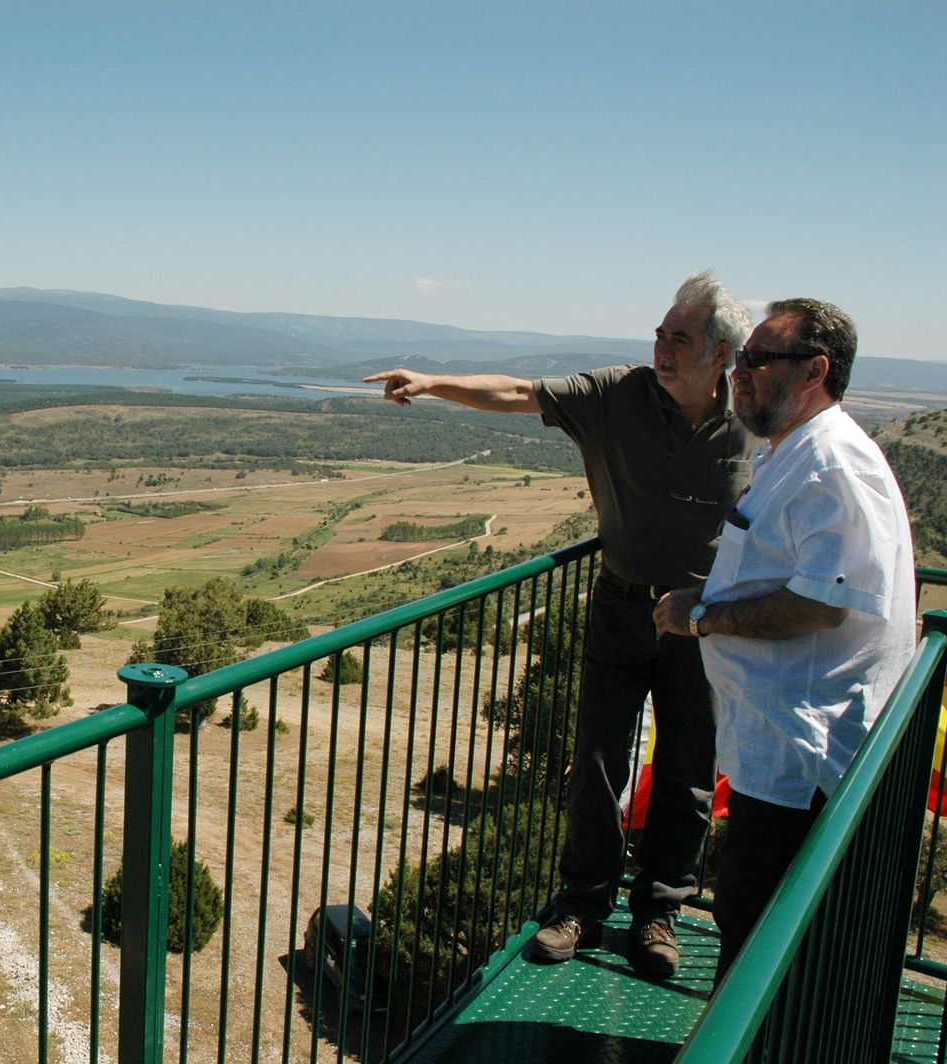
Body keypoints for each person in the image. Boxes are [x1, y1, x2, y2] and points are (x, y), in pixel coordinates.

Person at [365, 270, 754, 976]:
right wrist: (429, 381)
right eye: (661, 334)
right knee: (598, 765)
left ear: (722, 354)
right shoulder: (619, 394)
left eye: (680, 338)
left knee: (688, 772)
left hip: (705, 623)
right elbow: (519, 393)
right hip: (622, 604)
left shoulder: (754, 420)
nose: (662, 348)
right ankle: (582, 907)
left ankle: (659, 915)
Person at [652, 298, 915, 977]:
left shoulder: (832, 465)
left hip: (804, 757)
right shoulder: (792, 452)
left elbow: (822, 604)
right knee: (754, 922)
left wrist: (702, 619)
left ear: (815, 371)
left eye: (758, 359)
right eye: (741, 357)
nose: (738, 371)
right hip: (779, 746)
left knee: (761, 936)